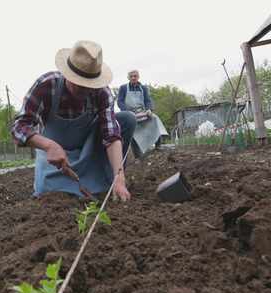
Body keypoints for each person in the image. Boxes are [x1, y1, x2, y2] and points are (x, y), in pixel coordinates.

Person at [11, 40, 136, 202]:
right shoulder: (47, 86)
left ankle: (110, 183)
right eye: (78, 83)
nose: (84, 90)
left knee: (126, 119)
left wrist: (119, 177)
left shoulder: (101, 93)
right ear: (67, 74)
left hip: (87, 151)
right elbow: (19, 128)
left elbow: (111, 136)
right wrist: (49, 145)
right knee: (49, 196)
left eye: (89, 85)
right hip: (56, 161)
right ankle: (70, 184)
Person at [117, 70, 168, 157]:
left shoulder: (143, 88)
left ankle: (158, 145)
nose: (133, 77)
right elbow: (120, 101)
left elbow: (147, 100)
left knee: (155, 119)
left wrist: (149, 109)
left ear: (138, 77)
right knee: (132, 128)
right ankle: (137, 154)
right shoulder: (123, 88)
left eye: (135, 76)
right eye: (131, 76)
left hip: (142, 111)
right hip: (129, 113)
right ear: (128, 77)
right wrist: (126, 111)